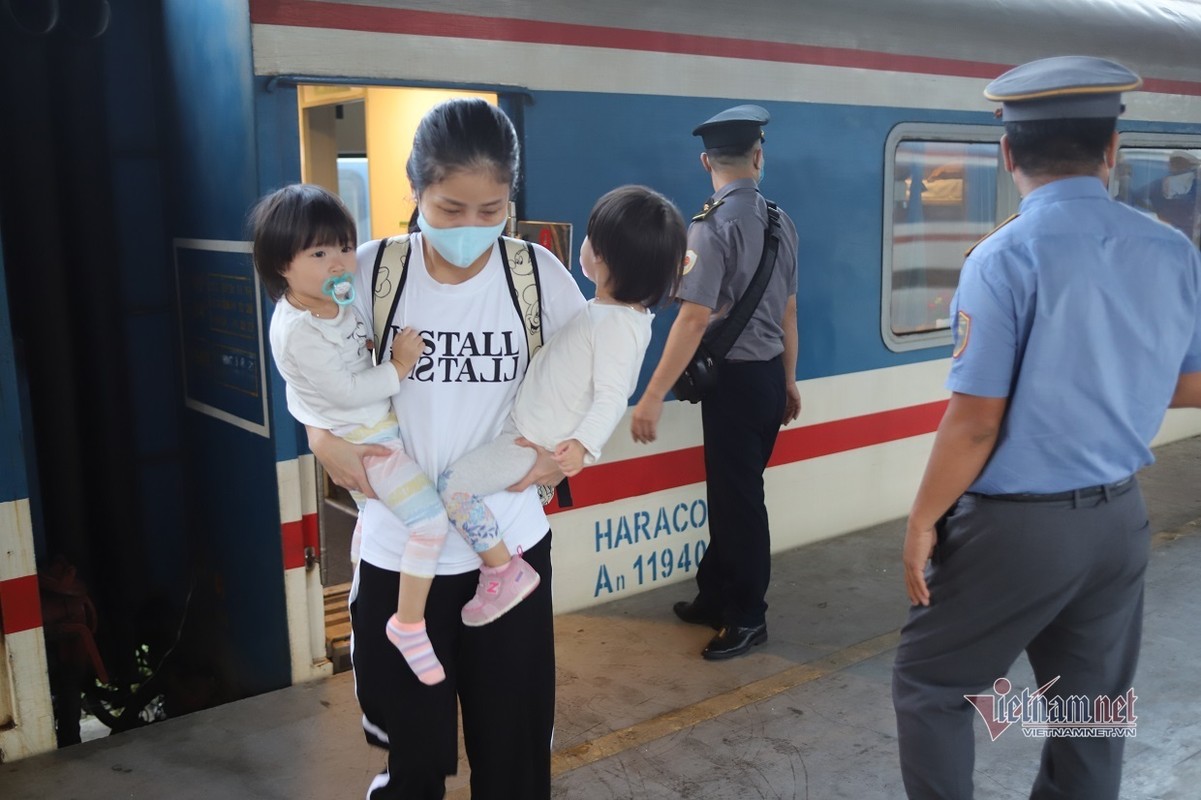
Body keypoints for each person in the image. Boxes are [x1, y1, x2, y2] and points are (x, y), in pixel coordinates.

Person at [891, 56, 1201, 800]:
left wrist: (921, 520)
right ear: (1111, 151)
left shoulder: (1003, 256)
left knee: (931, 686)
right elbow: (1189, 382)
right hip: (1117, 520)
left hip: (1016, 532)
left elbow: (973, 423)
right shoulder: (1171, 248)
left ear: (1006, 153)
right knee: (1089, 713)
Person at [306, 97, 586, 799]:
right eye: (450, 207)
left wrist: (566, 450)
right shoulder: (369, 275)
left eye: (491, 211)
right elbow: (311, 374)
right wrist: (316, 436)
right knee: (413, 767)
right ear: (415, 191)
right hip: (399, 558)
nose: (470, 228)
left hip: (510, 556)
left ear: (511, 197)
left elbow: (591, 380)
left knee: (515, 762)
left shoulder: (537, 278)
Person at [438, 184, 686, 624]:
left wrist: (583, 447)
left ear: (608, 261)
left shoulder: (615, 326)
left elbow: (613, 394)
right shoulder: (613, 313)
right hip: (525, 432)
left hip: (526, 442)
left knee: (453, 487)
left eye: (592, 239)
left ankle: (502, 569)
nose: (585, 246)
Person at [251, 184, 452, 686]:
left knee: (379, 512)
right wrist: (399, 367)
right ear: (281, 263)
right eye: (319, 253)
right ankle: (408, 624)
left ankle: (366, 546)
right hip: (370, 445)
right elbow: (345, 393)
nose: (339, 261)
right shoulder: (298, 330)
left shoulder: (331, 300)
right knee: (430, 524)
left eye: (343, 246)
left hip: (374, 435)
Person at [630, 104, 801, 660]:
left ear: (707, 161)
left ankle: (750, 617)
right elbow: (789, 313)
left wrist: (653, 394)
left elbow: (693, 317)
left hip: (734, 386)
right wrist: (790, 381)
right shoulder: (782, 223)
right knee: (733, 495)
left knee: (739, 502)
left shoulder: (709, 228)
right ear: (759, 156)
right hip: (769, 378)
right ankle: (715, 595)